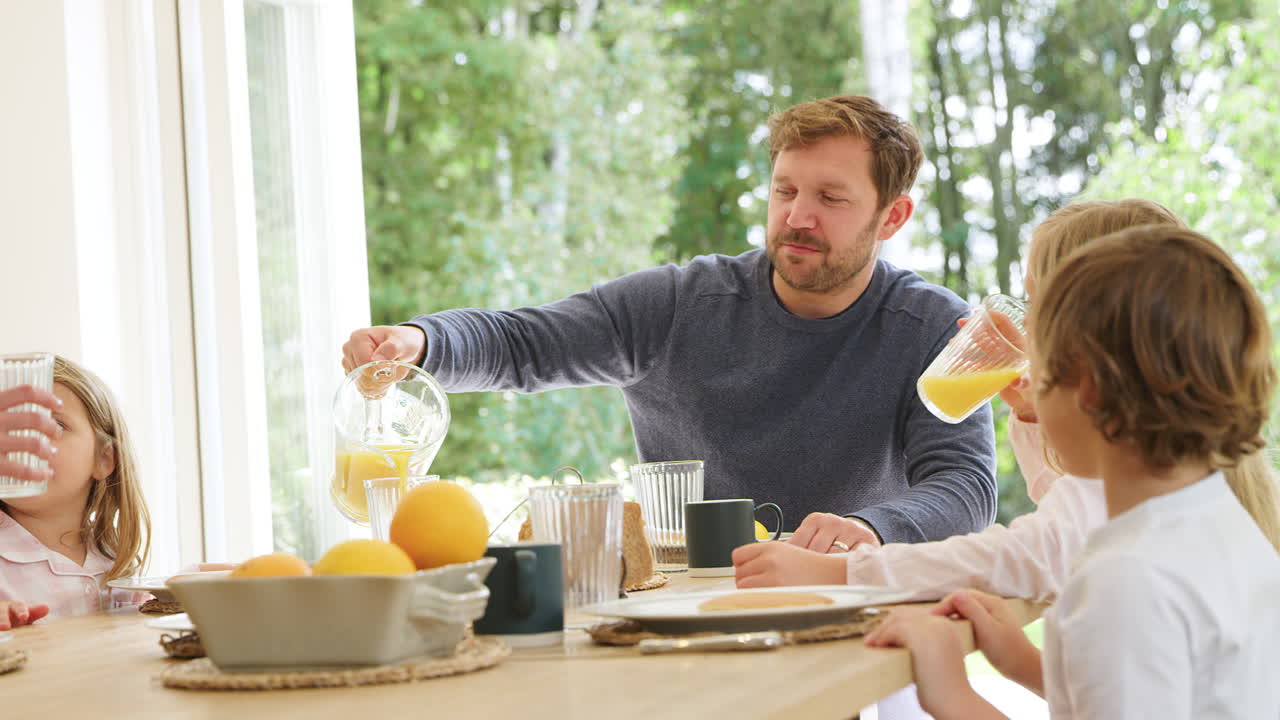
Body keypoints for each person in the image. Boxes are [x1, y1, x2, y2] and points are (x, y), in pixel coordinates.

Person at [342, 95, 997, 547]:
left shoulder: (932, 327)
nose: (798, 216)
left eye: (831, 198)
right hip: (691, 609)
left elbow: (966, 486)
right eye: (785, 190)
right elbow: (526, 343)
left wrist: (874, 528)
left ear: (892, 218)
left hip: (855, 604)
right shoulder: (683, 302)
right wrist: (424, 343)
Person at [734, 198, 1280, 595]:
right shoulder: (1201, 494)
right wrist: (1038, 412)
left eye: (1036, 301)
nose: (1025, 319)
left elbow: (1036, 549)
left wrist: (845, 572)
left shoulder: (1134, 562)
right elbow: (1066, 522)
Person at [864, 225, 1280, 718]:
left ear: (1083, 385)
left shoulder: (1126, 578)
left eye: (1038, 370)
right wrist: (1019, 661)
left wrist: (950, 691)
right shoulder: (1225, 529)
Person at [0, 356, 151, 630]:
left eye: (54, 426)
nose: (26, 443)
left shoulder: (115, 560)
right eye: (12, 428)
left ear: (104, 460)